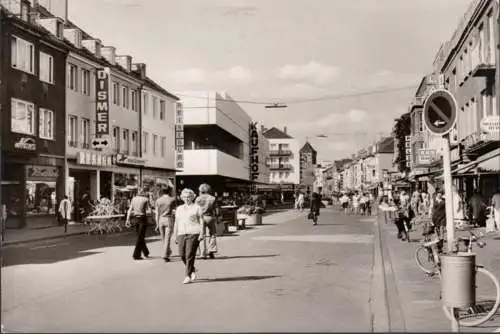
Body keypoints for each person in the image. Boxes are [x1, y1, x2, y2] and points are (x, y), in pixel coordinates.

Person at [173, 188, 205, 284]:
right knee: (182, 254)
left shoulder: (197, 208)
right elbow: (176, 222)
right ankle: (192, 269)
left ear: (192, 197)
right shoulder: (179, 209)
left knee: (189, 254)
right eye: (185, 197)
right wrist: (175, 235)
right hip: (181, 233)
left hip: (194, 232)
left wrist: (201, 233)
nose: (187, 199)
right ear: (182, 198)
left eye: (189, 197)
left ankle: (187, 275)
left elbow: (201, 221)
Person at [126, 188, 151, 261]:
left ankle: (146, 252)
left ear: (137, 192)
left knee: (140, 236)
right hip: (143, 218)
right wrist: (153, 218)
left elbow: (130, 209)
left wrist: (127, 219)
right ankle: (136, 255)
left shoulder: (133, 199)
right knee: (140, 237)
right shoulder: (146, 199)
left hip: (135, 219)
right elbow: (149, 210)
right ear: (142, 192)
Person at [195, 183, 218, 259]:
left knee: (202, 235)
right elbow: (216, 210)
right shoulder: (212, 198)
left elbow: (195, 210)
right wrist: (217, 217)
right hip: (210, 217)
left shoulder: (197, 199)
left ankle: (202, 253)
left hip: (201, 217)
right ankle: (211, 250)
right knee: (213, 234)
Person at [155, 186, 176, 262]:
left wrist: (157, 223)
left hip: (160, 219)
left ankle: (168, 251)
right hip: (168, 219)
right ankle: (165, 255)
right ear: (169, 191)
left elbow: (156, 213)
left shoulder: (158, 200)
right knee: (167, 238)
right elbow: (174, 210)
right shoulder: (172, 199)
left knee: (163, 238)